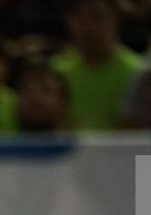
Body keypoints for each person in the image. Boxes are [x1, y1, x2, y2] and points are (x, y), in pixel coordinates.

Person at [53, 0, 144, 129]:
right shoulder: (56, 73)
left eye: (97, 17)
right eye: (79, 16)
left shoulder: (137, 73)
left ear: (116, 22)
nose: (87, 27)